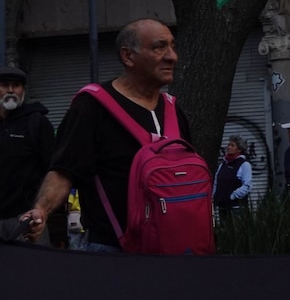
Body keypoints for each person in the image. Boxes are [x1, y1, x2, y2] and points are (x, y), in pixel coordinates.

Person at [22, 19, 195, 251]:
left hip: (175, 247)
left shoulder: (173, 109)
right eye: (159, 47)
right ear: (128, 56)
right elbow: (64, 170)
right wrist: (41, 210)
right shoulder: (91, 106)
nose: (172, 57)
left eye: (173, 47)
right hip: (112, 251)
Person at [0, 66, 56, 246]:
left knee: (33, 264)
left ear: (23, 90)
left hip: (26, 220)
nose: (10, 90)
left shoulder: (37, 123)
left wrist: (43, 209)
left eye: (16, 85)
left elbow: (54, 170)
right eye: (4, 85)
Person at [213, 135, 253, 216]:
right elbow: (216, 183)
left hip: (237, 208)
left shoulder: (244, 165)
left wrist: (233, 196)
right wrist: (213, 197)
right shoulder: (223, 165)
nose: (229, 147)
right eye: (228, 145)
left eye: (232, 145)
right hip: (223, 207)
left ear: (239, 149)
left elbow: (247, 186)